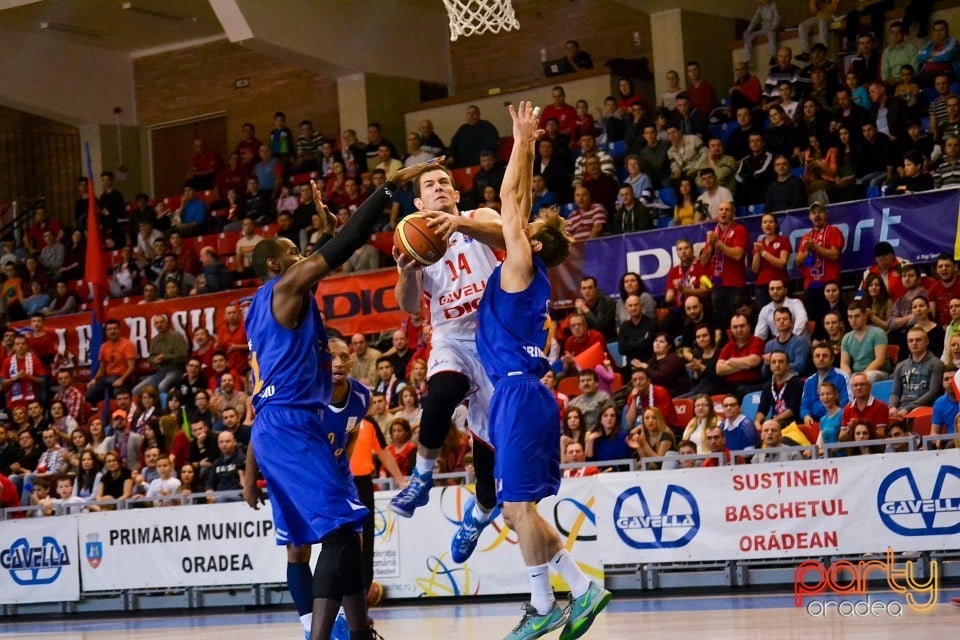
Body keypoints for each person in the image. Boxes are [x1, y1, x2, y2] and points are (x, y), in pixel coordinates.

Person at [242, 159, 430, 640]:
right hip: (290, 425)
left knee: (343, 533)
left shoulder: (264, 305)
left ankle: (359, 632)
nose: (303, 255)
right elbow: (343, 248)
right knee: (342, 534)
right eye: (293, 251)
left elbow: (316, 257)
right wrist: (386, 191)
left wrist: (320, 240)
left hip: (280, 425)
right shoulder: (285, 288)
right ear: (274, 265)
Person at [474, 101, 609, 638]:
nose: (514, 229)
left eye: (521, 230)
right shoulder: (528, 275)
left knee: (517, 506)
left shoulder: (520, 265)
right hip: (521, 396)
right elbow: (512, 207)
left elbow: (511, 197)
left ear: (530, 243)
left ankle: (542, 603)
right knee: (515, 512)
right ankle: (581, 588)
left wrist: (523, 140)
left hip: (517, 395)